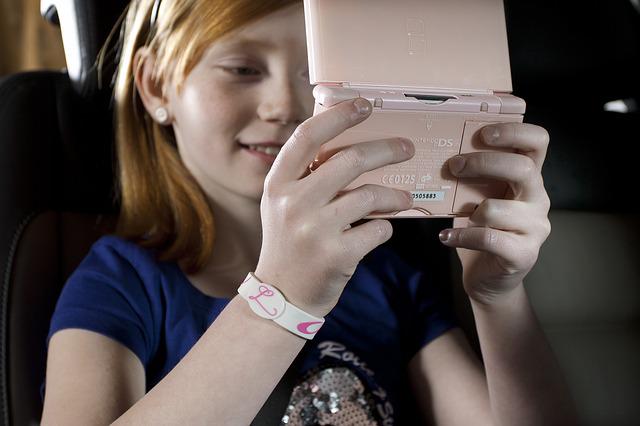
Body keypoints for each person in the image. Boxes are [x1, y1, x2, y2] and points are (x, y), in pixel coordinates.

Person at [40, 0, 579, 424]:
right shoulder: (118, 283)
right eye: (242, 69)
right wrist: (281, 299)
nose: (287, 107)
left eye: (318, 79)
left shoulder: (389, 281)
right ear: (156, 84)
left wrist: (497, 300)